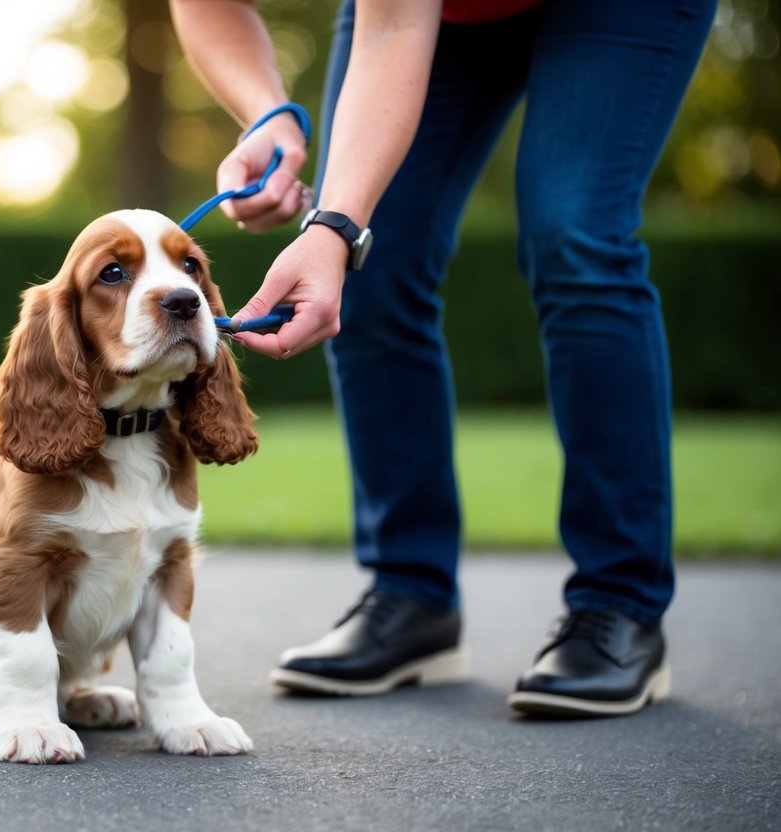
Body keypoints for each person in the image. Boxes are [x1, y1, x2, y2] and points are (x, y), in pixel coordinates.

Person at [168, 0, 717, 716]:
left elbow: (395, 28)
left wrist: (332, 227)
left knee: (574, 234)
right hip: (429, 17)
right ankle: (411, 593)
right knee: (377, 263)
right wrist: (266, 110)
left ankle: (621, 603)